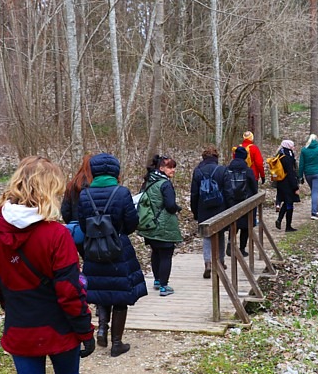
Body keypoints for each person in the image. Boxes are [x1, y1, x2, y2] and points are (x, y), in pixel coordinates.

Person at [0, 156, 95, 374]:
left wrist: (12, 302)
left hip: (20, 325)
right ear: (50, 189)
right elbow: (70, 291)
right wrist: (85, 331)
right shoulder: (57, 235)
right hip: (60, 328)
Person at [78, 153, 147, 357]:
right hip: (118, 249)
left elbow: (83, 224)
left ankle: (101, 330)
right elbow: (132, 222)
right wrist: (118, 232)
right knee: (120, 295)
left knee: (101, 289)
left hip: (93, 250)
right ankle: (117, 343)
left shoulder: (84, 195)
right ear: (115, 171)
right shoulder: (122, 193)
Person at [137, 155, 182, 297]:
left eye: (174, 167)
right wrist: (177, 208)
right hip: (164, 226)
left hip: (149, 224)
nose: (173, 170)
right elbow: (169, 206)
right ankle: (164, 286)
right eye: (170, 167)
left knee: (155, 252)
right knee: (166, 255)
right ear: (161, 168)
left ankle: (157, 280)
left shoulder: (148, 181)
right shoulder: (165, 184)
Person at [191, 145, 227, 278]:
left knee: (206, 236)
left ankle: (207, 263)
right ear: (216, 157)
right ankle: (221, 261)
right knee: (221, 233)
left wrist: (195, 211)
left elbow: (194, 194)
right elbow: (228, 191)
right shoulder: (222, 170)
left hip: (203, 207)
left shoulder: (197, 171)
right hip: (220, 207)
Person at [223, 146, 258, 257]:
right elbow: (254, 186)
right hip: (246, 201)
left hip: (231, 202)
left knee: (234, 224)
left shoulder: (227, 169)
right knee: (246, 226)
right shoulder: (248, 170)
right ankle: (242, 249)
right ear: (245, 157)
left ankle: (230, 241)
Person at [61, 154, 93, 257]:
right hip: (98, 230)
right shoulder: (97, 186)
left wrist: (72, 224)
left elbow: (65, 210)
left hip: (78, 232)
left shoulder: (72, 185)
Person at [297, 134, 318, 220]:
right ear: (316, 140)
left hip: (308, 174)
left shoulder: (304, 150)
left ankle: (316, 209)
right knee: (315, 192)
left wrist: (300, 176)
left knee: (313, 191)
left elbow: (301, 164)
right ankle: (314, 212)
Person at [274, 140, 300, 232]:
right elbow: (290, 172)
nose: (293, 147)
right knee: (289, 203)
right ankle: (288, 226)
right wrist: (295, 187)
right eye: (292, 145)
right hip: (287, 183)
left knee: (286, 202)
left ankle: (279, 220)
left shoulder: (279, 153)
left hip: (280, 182)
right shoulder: (287, 156)